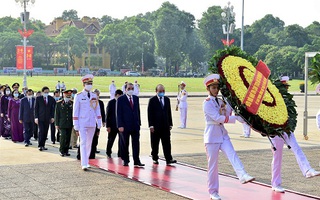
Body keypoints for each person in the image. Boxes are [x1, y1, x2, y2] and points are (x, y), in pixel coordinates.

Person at [203, 74, 254, 200]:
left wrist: (230, 103)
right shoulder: (207, 103)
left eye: (217, 87)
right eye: (213, 87)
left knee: (232, 154)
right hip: (212, 137)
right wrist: (234, 119)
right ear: (208, 89)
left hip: (222, 135)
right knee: (213, 167)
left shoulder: (220, 101)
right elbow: (218, 118)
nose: (216, 89)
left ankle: (242, 174)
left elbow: (226, 113)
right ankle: (213, 192)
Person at [270, 76, 320, 193]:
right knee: (277, 158)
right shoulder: (271, 101)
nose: (286, 89)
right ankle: (275, 184)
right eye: (284, 87)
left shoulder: (288, 101)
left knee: (297, 148)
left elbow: (291, 116)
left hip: (287, 130)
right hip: (276, 133)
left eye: (286, 87)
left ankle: (307, 170)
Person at [73, 74, 102, 171]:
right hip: (82, 122)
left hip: (92, 122)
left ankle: (87, 161)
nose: (89, 85)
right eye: (88, 83)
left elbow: (97, 109)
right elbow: (75, 111)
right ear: (83, 84)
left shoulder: (94, 95)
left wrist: (99, 121)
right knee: (83, 142)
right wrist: (75, 125)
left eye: (91, 83)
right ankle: (84, 163)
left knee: (89, 143)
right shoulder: (79, 96)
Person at [147, 84, 177, 165]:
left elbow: (168, 112)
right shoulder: (152, 100)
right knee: (155, 143)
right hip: (155, 126)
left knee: (167, 143)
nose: (162, 93)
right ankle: (155, 158)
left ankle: (168, 158)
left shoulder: (167, 99)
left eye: (163, 91)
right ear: (156, 91)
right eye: (160, 91)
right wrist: (151, 125)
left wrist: (170, 123)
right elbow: (150, 114)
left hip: (165, 126)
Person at [117, 82, 144, 167]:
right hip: (125, 125)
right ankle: (125, 159)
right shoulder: (121, 99)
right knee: (125, 143)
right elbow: (118, 113)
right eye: (129, 89)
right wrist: (120, 125)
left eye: (132, 89)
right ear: (125, 90)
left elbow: (137, 111)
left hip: (135, 125)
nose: (131, 90)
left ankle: (136, 160)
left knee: (136, 143)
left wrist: (139, 122)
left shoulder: (136, 98)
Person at [34, 86, 55, 151]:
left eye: (48, 92)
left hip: (47, 118)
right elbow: (36, 109)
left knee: (45, 132)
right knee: (41, 131)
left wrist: (52, 117)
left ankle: (43, 145)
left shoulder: (51, 99)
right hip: (40, 118)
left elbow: (53, 109)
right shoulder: (38, 98)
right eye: (45, 92)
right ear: (42, 92)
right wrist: (36, 117)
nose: (46, 93)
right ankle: (40, 145)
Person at [55, 90, 73, 157]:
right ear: (64, 95)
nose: (68, 97)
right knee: (63, 137)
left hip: (69, 123)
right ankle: (61, 150)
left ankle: (66, 150)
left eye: (69, 96)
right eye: (67, 96)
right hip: (62, 123)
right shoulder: (59, 103)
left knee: (68, 137)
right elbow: (57, 114)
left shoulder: (72, 103)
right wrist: (56, 124)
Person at [106, 89, 123, 158]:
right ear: (115, 95)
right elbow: (107, 115)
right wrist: (108, 126)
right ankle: (108, 152)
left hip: (120, 125)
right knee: (111, 139)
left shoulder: (122, 103)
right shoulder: (111, 102)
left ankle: (120, 153)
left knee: (121, 140)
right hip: (112, 125)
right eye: (119, 96)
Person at [90, 88, 105, 157]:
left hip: (97, 122)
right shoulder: (90, 101)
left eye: (98, 95)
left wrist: (103, 121)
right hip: (90, 122)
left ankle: (94, 150)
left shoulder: (100, 102)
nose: (97, 96)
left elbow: (102, 112)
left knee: (96, 137)